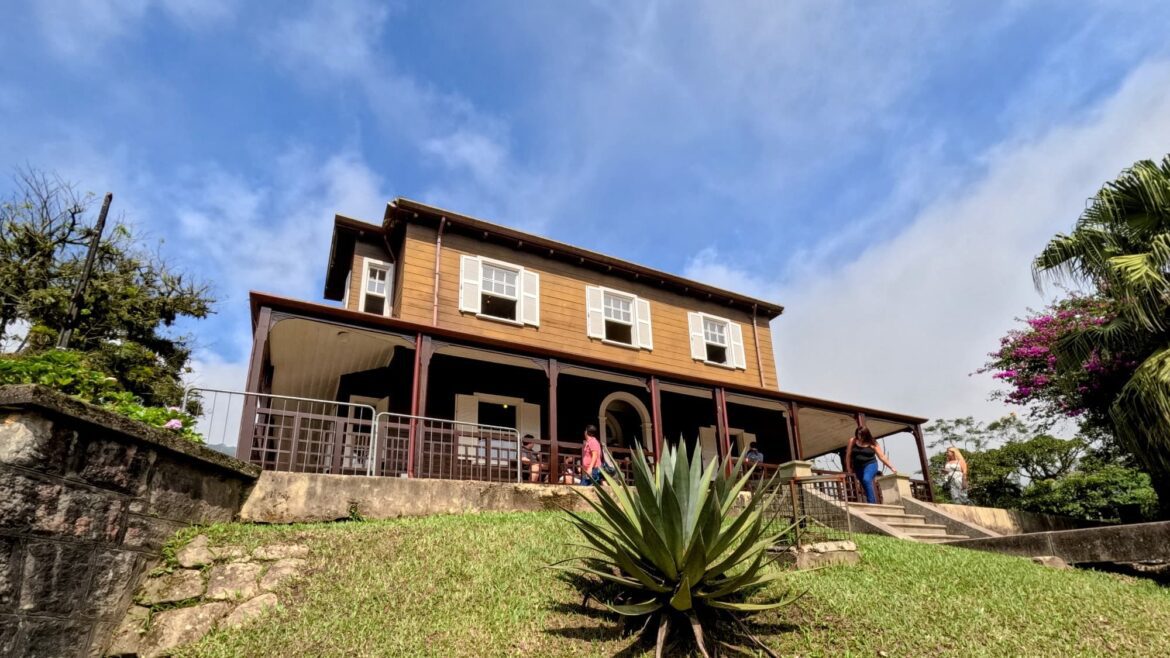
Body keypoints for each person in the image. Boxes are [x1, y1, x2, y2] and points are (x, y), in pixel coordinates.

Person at [845, 426, 896, 504]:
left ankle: (872, 504)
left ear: (866, 435)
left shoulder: (873, 443)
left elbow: (882, 456)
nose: (860, 437)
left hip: (871, 465)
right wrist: (848, 468)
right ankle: (872, 502)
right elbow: (848, 455)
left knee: (866, 479)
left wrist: (891, 467)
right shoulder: (852, 441)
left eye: (861, 435)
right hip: (858, 467)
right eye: (858, 434)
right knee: (865, 485)